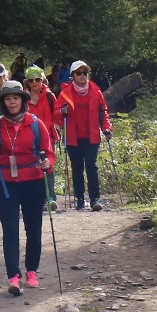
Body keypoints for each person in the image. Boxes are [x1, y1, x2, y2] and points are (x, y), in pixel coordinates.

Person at [0, 80, 55, 294]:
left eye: (15, 98)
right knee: (10, 230)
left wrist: (48, 163)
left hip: (33, 182)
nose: (12, 102)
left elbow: (49, 153)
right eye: (7, 98)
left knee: (33, 228)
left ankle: (31, 271)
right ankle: (13, 276)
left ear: (22, 101)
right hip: (6, 185)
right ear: (2, 102)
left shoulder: (35, 123)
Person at [57, 59, 112, 210]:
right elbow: (56, 114)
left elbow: (103, 112)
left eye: (85, 73)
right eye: (79, 73)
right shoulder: (65, 94)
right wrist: (62, 112)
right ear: (72, 75)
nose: (82, 76)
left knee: (91, 166)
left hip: (92, 136)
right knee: (77, 167)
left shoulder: (96, 91)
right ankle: (80, 199)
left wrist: (106, 128)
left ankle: (95, 199)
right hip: (73, 137)